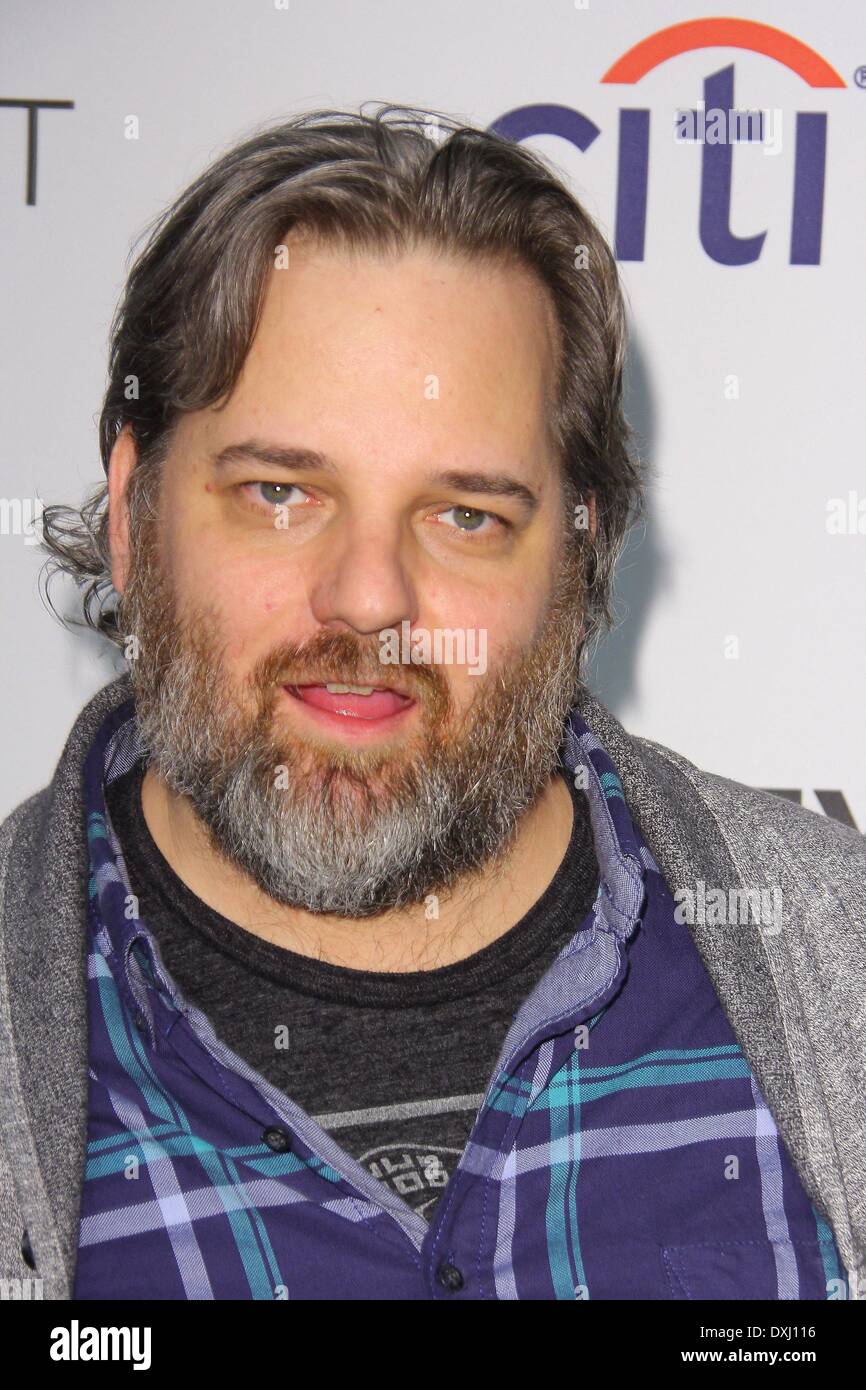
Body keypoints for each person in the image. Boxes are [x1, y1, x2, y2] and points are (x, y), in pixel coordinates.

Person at [0, 105, 863, 1302]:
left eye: (465, 515)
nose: (366, 599)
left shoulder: (840, 961)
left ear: (577, 557)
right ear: (132, 517)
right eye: (279, 492)